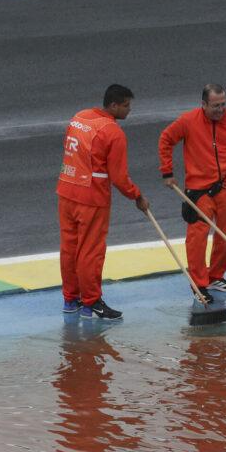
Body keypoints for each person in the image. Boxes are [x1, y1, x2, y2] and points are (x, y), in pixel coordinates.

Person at [57, 84, 149, 320]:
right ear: (114, 105)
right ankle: (92, 303)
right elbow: (119, 178)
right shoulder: (113, 132)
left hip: (66, 191)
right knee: (90, 252)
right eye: (126, 105)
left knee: (69, 248)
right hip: (91, 199)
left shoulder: (79, 117)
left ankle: (70, 300)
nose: (129, 110)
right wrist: (137, 195)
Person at [159, 84, 226, 296]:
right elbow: (166, 139)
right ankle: (199, 283)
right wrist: (167, 172)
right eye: (215, 106)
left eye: (223, 104)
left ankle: (216, 276)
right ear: (203, 104)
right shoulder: (188, 121)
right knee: (197, 238)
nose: (221, 110)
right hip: (199, 191)